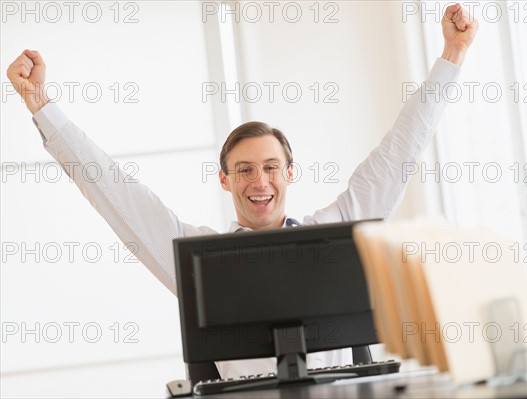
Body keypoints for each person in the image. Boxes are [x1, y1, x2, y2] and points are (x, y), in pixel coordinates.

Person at [7, 3, 478, 380]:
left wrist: (452, 55)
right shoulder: (197, 260)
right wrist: (40, 105)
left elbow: (400, 152)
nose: (260, 182)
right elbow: (114, 193)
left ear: (290, 173)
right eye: (245, 170)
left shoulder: (337, 228)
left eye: (271, 167)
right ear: (225, 179)